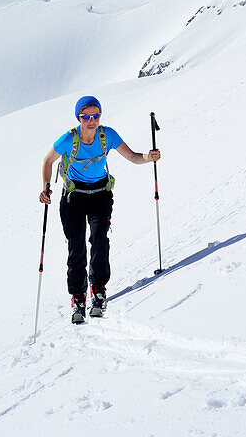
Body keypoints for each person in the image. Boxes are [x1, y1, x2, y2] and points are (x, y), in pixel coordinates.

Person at [40, 95, 161, 324]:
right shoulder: (69, 139)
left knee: (99, 239)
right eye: (86, 116)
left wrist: (149, 157)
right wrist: (46, 187)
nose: (92, 120)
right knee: (76, 246)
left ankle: (98, 288)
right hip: (73, 197)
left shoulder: (108, 135)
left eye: (96, 115)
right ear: (79, 117)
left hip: (100, 196)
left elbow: (133, 156)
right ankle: (78, 295)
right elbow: (47, 161)